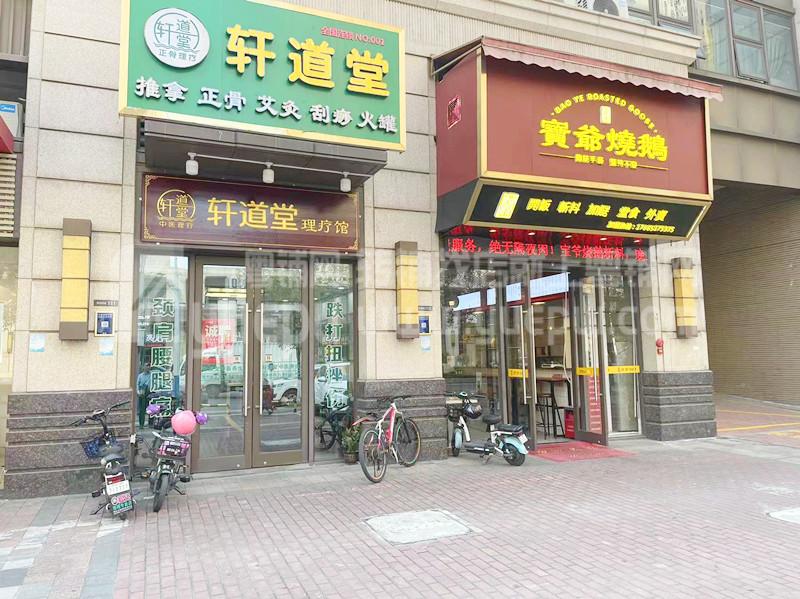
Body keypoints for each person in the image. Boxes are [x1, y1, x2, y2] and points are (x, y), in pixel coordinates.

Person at [136, 364, 152, 428]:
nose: (147, 367)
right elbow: (137, 384)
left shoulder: (151, 375)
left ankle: (151, 423)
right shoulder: (140, 376)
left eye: (149, 366)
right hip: (142, 393)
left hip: (150, 393)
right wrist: (138, 392)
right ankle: (141, 424)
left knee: (151, 408)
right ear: (143, 367)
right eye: (146, 366)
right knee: (142, 410)